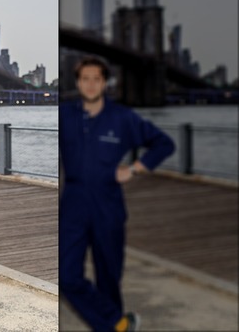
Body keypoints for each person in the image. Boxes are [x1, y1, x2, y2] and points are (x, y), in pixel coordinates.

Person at [59, 56, 175, 332]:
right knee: (66, 274)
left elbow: (163, 143)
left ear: (105, 82)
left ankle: (114, 327)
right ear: (78, 82)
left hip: (108, 202)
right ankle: (117, 322)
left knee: (108, 276)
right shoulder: (64, 114)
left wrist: (135, 168)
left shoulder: (122, 118)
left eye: (96, 79)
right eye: (84, 79)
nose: (90, 84)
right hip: (74, 201)